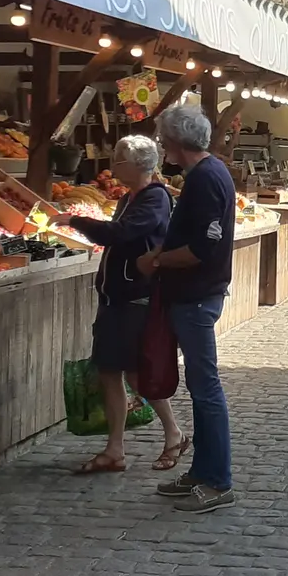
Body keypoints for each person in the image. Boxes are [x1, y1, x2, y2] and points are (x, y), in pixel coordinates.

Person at [60, 135, 187, 475]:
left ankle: (170, 433)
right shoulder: (132, 197)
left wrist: (74, 221)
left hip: (134, 299)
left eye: (118, 159)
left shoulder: (154, 199)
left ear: (137, 165)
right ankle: (117, 447)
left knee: (130, 372)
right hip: (118, 297)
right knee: (113, 370)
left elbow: (119, 235)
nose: (113, 165)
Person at [139, 106, 237, 513]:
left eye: (164, 139)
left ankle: (217, 481)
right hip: (193, 293)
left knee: (206, 388)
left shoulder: (205, 179)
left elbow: (202, 247)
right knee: (200, 389)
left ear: (175, 143)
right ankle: (201, 472)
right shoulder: (205, 174)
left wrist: (158, 261)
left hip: (196, 294)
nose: (162, 146)